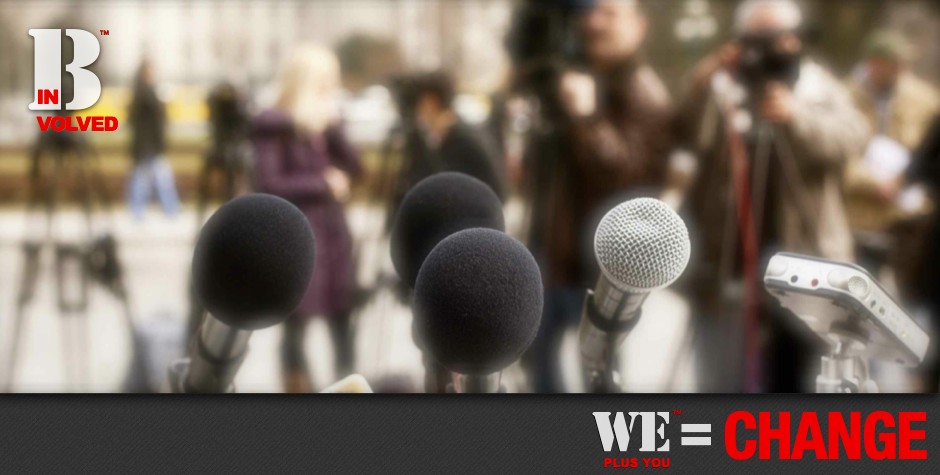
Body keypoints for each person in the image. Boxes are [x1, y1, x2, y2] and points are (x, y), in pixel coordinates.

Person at [676, 0, 868, 392]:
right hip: (730, 261)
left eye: (780, 36)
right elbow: (681, 131)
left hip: (809, 258)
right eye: (758, 39)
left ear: (797, 37)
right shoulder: (722, 87)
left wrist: (796, 117)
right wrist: (710, 74)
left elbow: (851, 139)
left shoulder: (817, 86)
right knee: (723, 379)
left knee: (799, 375)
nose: (771, 49)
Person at [522, 0, 672, 393]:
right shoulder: (579, 78)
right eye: (591, 13)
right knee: (538, 367)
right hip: (550, 256)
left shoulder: (645, 92)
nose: (595, 23)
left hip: (598, 265)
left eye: (610, 14)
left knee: (598, 372)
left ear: (638, 26)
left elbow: (630, 179)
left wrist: (587, 116)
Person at [251, 45, 363, 393]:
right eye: (325, 82)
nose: (331, 88)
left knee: (344, 320)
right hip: (297, 236)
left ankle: (350, 388)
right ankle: (298, 391)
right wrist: (323, 184)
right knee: (295, 323)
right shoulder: (275, 125)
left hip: (333, 236)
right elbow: (268, 183)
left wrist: (335, 126)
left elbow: (357, 168)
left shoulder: (323, 124)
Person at [844, 30, 940, 280]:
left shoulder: (924, 99)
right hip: (858, 213)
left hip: (909, 215)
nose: (902, 69)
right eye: (894, 63)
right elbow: (838, 156)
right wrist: (873, 184)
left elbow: (929, 152)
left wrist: (904, 183)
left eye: (904, 63)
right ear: (874, 63)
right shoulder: (844, 97)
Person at [127, 59, 180, 220]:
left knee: (146, 178)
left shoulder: (140, 92)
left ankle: (143, 211)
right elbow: (157, 119)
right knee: (154, 178)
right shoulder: (146, 93)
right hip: (148, 145)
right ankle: (170, 209)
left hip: (147, 145)